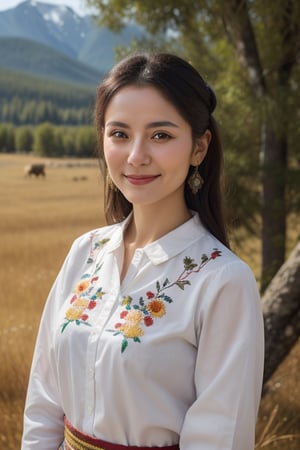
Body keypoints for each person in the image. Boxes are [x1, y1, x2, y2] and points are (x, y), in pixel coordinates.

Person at [21, 52, 264, 450]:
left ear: (199, 148)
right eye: (119, 134)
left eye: (161, 135)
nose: (136, 156)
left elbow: (220, 437)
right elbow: (43, 403)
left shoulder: (222, 281)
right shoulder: (85, 252)